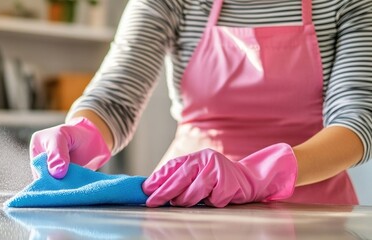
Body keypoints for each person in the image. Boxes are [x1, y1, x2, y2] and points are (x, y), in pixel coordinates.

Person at [30, 0, 372, 207]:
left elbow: (357, 120)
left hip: (313, 206)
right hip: (189, 202)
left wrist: (259, 175)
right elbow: (115, 99)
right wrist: (83, 131)